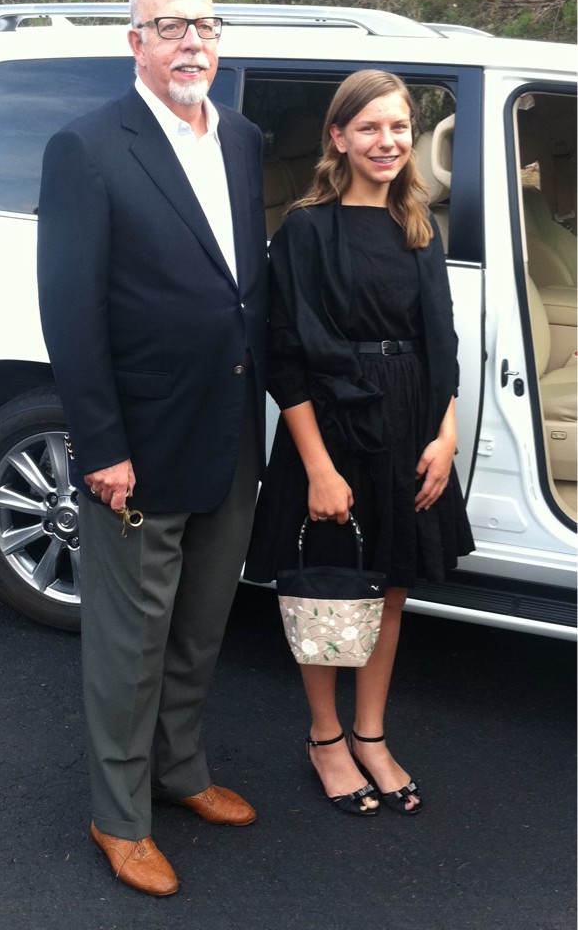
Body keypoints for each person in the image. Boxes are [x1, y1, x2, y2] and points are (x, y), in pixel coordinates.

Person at [37, 0, 268, 895]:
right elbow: (70, 309)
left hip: (227, 436)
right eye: (170, 26)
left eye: (205, 25)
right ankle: (118, 816)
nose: (191, 43)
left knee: (198, 630)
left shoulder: (243, 140)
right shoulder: (88, 147)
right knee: (128, 648)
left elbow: (239, 289)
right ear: (133, 42)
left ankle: (178, 774)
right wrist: (100, 448)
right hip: (138, 444)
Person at [245, 69, 474, 818]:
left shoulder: (418, 224)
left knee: (390, 587)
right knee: (327, 596)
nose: (388, 141)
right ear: (337, 138)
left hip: (410, 426)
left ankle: (370, 735)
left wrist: (443, 438)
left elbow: (440, 340)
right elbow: (285, 356)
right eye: (370, 127)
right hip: (333, 431)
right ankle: (324, 739)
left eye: (399, 127)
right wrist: (316, 467)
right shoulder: (306, 230)